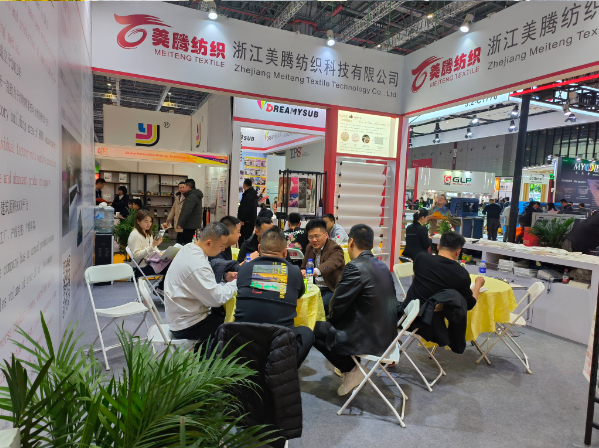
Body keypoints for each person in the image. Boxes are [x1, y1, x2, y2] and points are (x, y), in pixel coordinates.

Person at [313, 224, 398, 396]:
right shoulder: (381, 265)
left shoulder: (354, 267)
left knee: (313, 329)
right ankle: (350, 366)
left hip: (368, 337)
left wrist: (333, 322)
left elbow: (336, 306)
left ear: (350, 242)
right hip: (388, 334)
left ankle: (351, 370)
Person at [235, 228, 314, 368]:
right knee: (307, 333)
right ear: (285, 252)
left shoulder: (244, 269)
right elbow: (299, 295)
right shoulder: (294, 272)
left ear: (259, 248)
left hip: (243, 341)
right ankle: (283, 370)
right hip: (279, 343)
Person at [398, 231, 485, 352]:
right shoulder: (461, 273)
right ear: (458, 252)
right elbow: (469, 304)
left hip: (406, 312)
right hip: (430, 323)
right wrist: (478, 285)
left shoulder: (421, 258)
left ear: (438, 246)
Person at [164, 222, 237, 348]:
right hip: (186, 325)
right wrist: (236, 282)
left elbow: (200, 281)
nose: (223, 249)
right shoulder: (197, 264)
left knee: (223, 314)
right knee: (231, 328)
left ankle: (202, 353)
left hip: (179, 316)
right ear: (209, 243)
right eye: (222, 246)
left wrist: (225, 277)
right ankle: (205, 358)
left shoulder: (189, 248)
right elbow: (216, 299)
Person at [301, 218, 345, 309]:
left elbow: (331, 263)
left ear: (326, 235)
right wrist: (302, 271)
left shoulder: (335, 248)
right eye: (310, 237)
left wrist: (315, 271)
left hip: (330, 288)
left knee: (322, 305)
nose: (314, 240)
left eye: (317, 236)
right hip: (313, 286)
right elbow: (304, 266)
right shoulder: (309, 247)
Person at [127, 210, 170, 290]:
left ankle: (161, 289)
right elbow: (136, 256)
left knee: (171, 263)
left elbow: (154, 249)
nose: (149, 224)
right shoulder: (135, 234)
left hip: (150, 263)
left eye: (150, 221)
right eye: (146, 222)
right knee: (170, 267)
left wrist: (161, 253)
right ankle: (161, 289)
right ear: (138, 221)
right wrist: (153, 246)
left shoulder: (148, 233)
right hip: (141, 268)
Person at [209, 216, 242, 282]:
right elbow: (220, 270)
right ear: (227, 233)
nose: (240, 235)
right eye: (238, 232)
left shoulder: (227, 247)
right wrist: (247, 261)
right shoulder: (215, 250)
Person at [177, 179, 204, 244]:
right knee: (188, 242)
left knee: (188, 243)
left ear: (188, 187)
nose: (184, 188)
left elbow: (187, 211)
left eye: (185, 186)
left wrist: (180, 223)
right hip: (191, 224)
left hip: (190, 225)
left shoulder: (192, 196)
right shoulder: (193, 195)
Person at [238, 179, 258, 244]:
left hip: (246, 223)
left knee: (243, 240)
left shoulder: (248, 195)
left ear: (244, 185)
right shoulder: (253, 194)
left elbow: (246, 209)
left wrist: (242, 220)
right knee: (247, 239)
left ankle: (243, 250)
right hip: (250, 222)